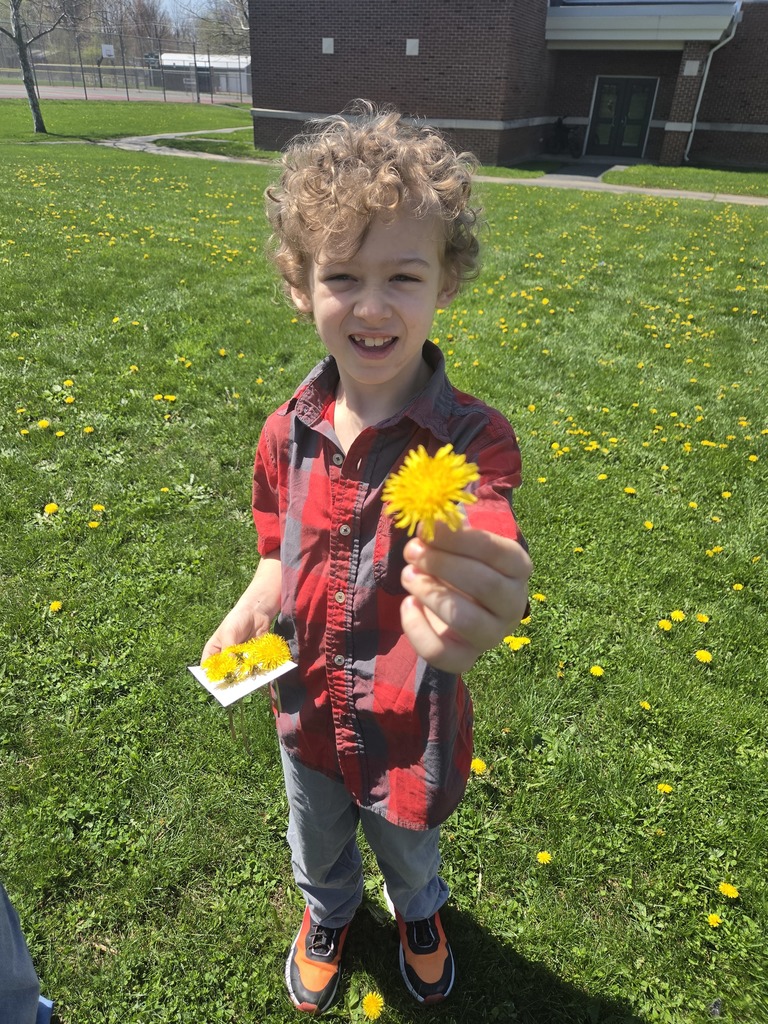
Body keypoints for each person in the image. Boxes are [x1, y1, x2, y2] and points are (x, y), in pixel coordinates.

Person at [201, 102, 532, 1014]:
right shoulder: (285, 433)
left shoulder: (470, 437)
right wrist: (256, 600)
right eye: (342, 276)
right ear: (300, 287)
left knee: (407, 841)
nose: (373, 305)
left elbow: (487, 521)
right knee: (317, 838)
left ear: (447, 283)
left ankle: (419, 911)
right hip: (305, 708)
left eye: (403, 276)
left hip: (404, 719)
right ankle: (330, 912)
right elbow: (278, 547)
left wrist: (482, 584)